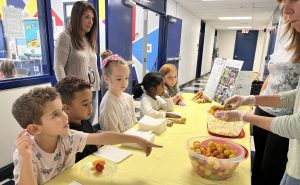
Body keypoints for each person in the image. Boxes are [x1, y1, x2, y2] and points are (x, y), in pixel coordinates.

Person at [12, 87, 162, 184]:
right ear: (35, 129)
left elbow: (102, 137)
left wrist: (137, 140)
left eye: (62, 110)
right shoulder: (25, 154)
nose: (65, 117)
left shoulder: (67, 137)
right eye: (55, 114)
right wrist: (25, 157)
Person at [250, 47, 300, 185]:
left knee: (271, 166)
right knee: (259, 159)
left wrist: (244, 116)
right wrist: (257, 98)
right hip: (264, 108)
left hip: (285, 118)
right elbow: (272, 74)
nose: (290, 23)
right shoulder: (285, 42)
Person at [54, 1, 100, 124]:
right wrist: (66, 94)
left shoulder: (89, 39)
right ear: (76, 17)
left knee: (87, 126)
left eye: (92, 18)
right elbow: (58, 66)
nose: (91, 21)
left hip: (92, 91)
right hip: (75, 95)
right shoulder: (65, 37)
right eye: (87, 17)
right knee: (75, 130)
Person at [55, 76, 99, 162]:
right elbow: (76, 159)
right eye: (85, 104)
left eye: (90, 102)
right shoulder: (65, 132)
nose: (91, 108)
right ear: (67, 108)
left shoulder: (85, 122)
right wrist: (96, 145)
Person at [99, 50, 136, 132]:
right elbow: (112, 136)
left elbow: (134, 124)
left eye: (126, 78)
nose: (124, 82)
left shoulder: (128, 98)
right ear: (106, 79)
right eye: (119, 79)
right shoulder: (108, 104)